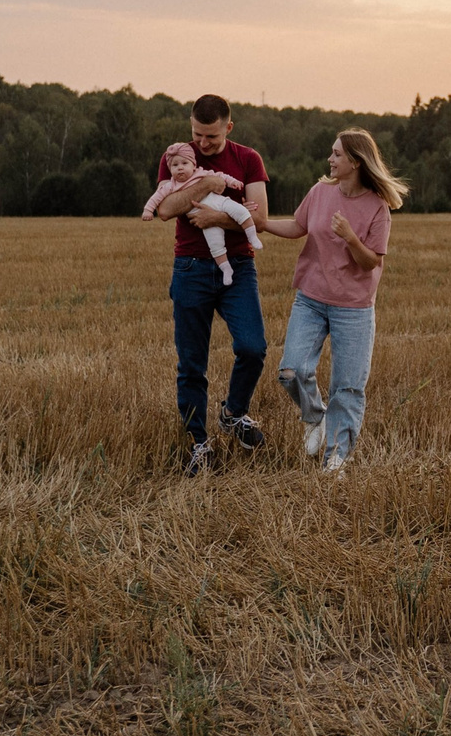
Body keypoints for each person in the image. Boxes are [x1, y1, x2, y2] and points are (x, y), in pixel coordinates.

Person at [258, 127, 405, 476]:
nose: (330, 159)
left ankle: (336, 457)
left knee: (348, 387)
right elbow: (297, 226)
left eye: (337, 154)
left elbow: (371, 261)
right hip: (310, 298)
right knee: (291, 370)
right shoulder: (320, 192)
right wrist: (261, 223)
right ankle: (313, 417)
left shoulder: (377, 208)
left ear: (355, 161)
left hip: (353, 307)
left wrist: (351, 238)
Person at [149, 95, 271, 474]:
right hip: (190, 268)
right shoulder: (176, 156)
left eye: (212, 138)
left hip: (238, 265)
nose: (202, 145)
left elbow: (261, 218)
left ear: (228, 129)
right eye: (197, 135)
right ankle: (198, 445)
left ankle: (233, 414)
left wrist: (216, 215)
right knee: (191, 364)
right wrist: (210, 184)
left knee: (253, 348)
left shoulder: (248, 159)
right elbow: (166, 209)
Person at [142, 141, 260, 287]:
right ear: (170, 169)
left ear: (193, 165)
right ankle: (226, 269)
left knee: (241, 211)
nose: (180, 168)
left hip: (220, 203)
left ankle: (252, 237)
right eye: (174, 165)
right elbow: (157, 199)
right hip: (201, 221)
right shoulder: (171, 185)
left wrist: (233, 182)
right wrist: (148, 210)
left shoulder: (201, 173)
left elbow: (221, 176)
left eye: (184, 163)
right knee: (215, 245)